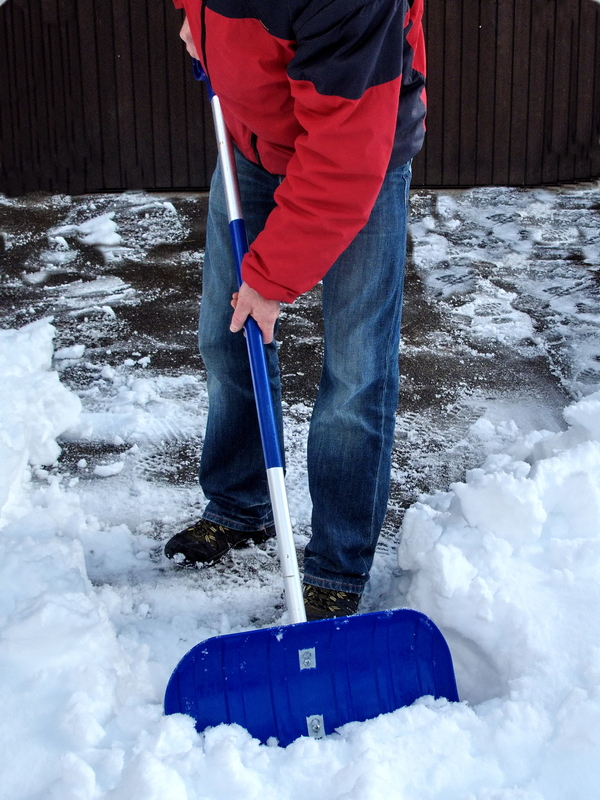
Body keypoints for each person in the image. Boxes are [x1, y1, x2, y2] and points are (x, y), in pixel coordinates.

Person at [164, 0, 426, 621]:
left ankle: (337, 565)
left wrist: (272, 279)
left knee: (356, 373)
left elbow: (344, 154)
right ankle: (237, 505)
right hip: (252, 146)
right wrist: (194, 18)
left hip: (360, 156)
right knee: (228, 339)